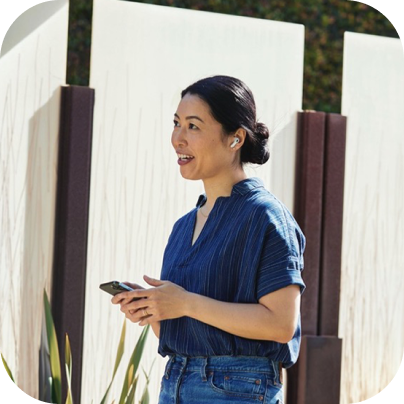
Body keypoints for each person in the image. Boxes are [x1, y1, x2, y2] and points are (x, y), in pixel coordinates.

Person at [112, 75, 306, 404]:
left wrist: (185, 302)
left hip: (237, 390)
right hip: (174, 382)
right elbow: (190, 331)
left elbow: (281, 324)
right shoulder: (183, 227)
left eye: (193, 126)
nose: (178, 138)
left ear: (235, 139)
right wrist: (154, 310)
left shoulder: (266, 217)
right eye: (176, 124)